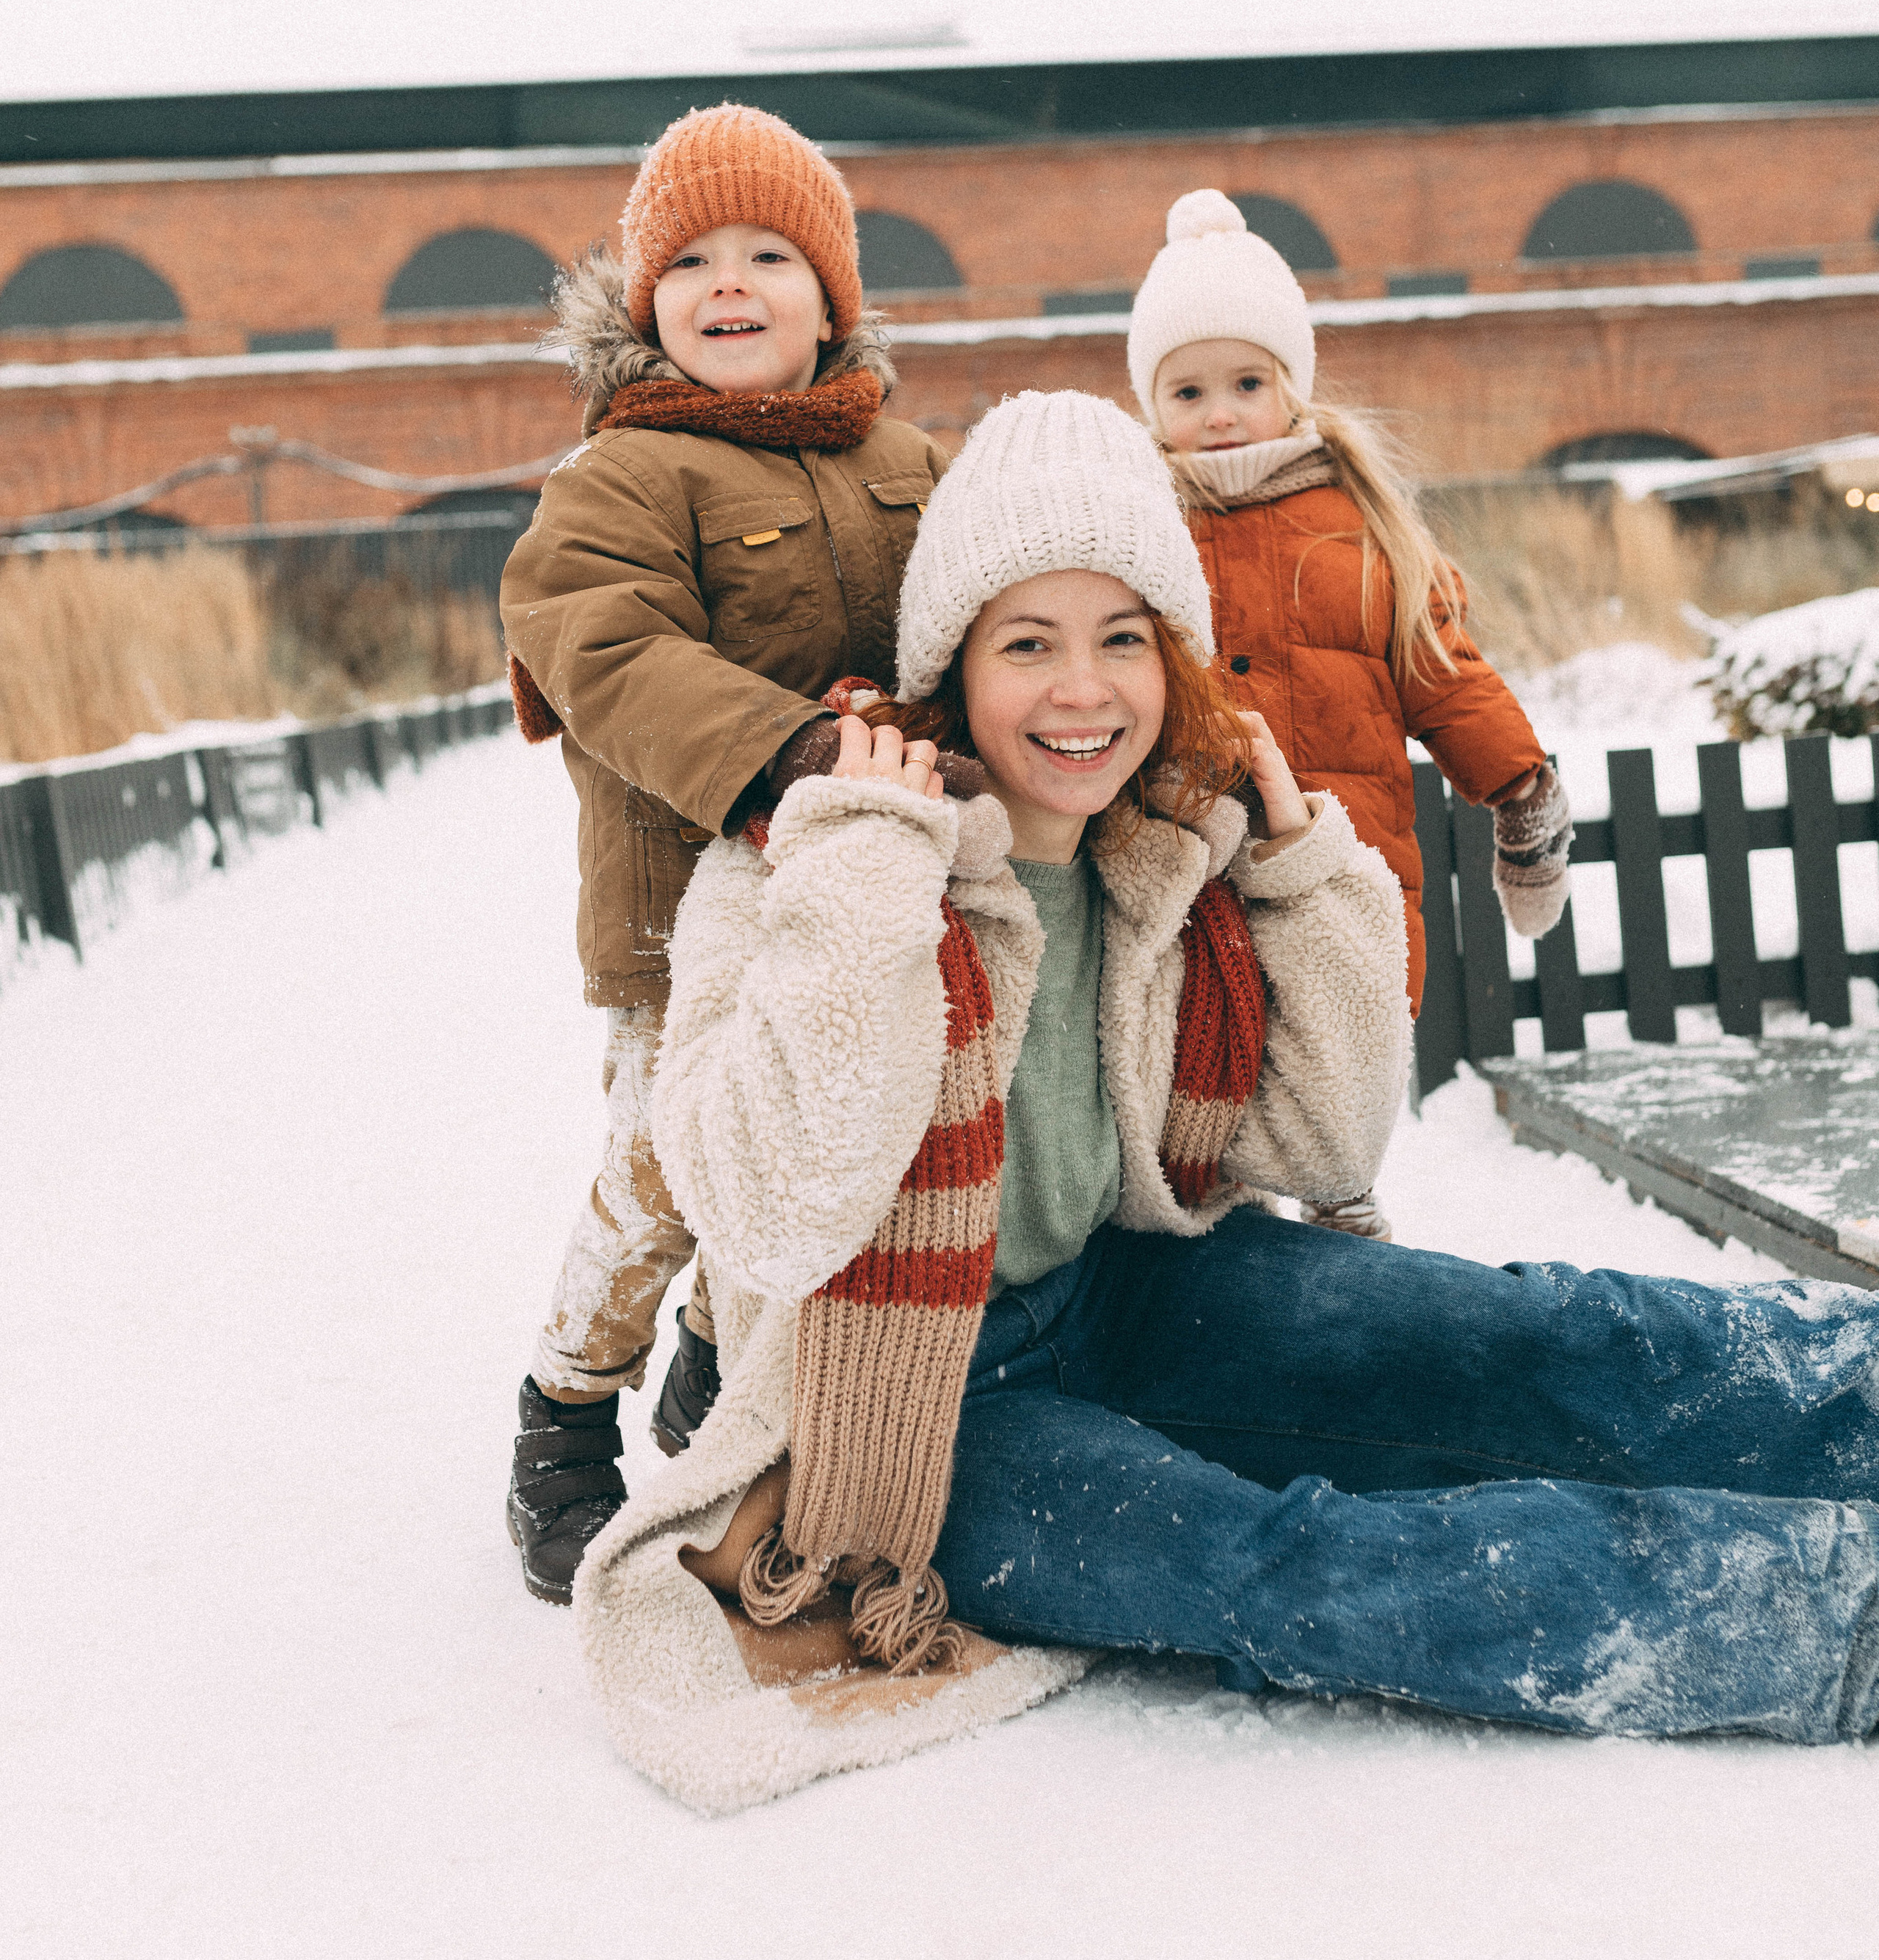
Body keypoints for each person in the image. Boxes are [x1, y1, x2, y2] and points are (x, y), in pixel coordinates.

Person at [569, 387, 1879, 1817]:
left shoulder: (1162, 844)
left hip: (1124, 1288)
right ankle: (1826, 1616)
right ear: (950, 661)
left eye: (1121, 639)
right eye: (1028, 643)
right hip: (908, 1416)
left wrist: (1301, 858)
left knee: (1523, 1336)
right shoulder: (792, 856)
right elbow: (764, 1217)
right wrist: (861, 878)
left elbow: (1324, 1144)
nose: (1081, 691)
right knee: (1288, 1566)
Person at [497, 102, 950, 1603]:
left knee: (817, 1154)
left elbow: (970, 611)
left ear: (831, 297)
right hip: (673, 917)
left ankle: (717, 1380)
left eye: (769, 252)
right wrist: (794, 746)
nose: (729, 282)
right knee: (665, 1177)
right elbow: (603, 646)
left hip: (855, 902)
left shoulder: (903, 455)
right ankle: (565, 1418)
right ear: (644, 304)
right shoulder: (619, 480)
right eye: (688, 260)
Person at [1130, 189, 1574, 1236]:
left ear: (1294, 387)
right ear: (1153, 405)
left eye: (1248, 382)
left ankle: (1344, 1215)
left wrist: (1521, 789)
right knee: (1206, 1063)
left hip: (1348, 866)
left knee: (1336, 1055)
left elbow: (1447, 674)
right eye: (1188, 389)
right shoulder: (1139, 530)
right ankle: (1220, 1247)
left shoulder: (1359, 533)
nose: (1222, 412)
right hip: (1194, 871)